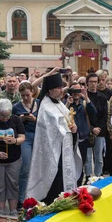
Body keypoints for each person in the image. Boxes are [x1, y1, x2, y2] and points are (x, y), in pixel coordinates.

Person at [26, 74, 82, 203]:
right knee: (55, 181)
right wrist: (68, 129)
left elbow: (68, 120)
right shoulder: (45, 107)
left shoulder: (60, 104)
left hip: (64, 149)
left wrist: (74, 130)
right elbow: (50, 130)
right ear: (50, 90)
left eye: (62, 87)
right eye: (58, 88)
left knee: (64, 178)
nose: (62, 90)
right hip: (52, 152)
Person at [12, 82, 39, 203]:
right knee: (25, 167)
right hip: (25, 137)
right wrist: (20, 119)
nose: (25, 98)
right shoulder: (17, 106)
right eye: (23, 95)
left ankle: (38, 195)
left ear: (32, 92)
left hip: (39, 137)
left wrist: (35, 119)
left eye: (27, 95)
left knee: (39, 167)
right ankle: (21, 198)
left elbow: (46, 122)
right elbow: (12, 124)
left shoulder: (39, 103)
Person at [67, 82, 96, 185]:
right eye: (73, 91)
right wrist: (67, 104)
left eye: (78, 91)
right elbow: (62, 117)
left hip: (83, 139)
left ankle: (79, 186)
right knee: (70, 165)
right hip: (71, 140)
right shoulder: (66, 104)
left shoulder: (84, 103)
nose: (76, 93)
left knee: (81, 164)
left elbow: (93, 112)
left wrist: (86, 98)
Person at [85, 73, 108, 179]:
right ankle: (89, 177)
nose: (93, 84)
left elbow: (104, 115)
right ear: (87, 83)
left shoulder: (102, 98)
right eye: (91, 82)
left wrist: (98, 128)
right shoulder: (84, 97)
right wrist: (91, 129)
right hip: (87, 131)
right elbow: (84, 115)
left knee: (98, 157)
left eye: (95, 82)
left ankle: (98, 176)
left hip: (100, 131)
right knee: (88, 157)